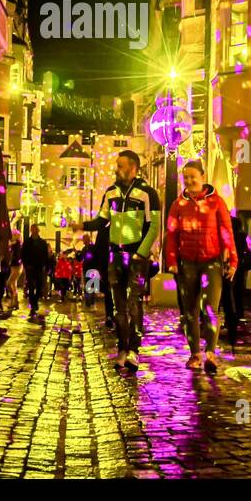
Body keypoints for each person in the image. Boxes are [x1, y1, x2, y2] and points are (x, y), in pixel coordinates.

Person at [71, 150, 161, 372]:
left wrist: (141, 252)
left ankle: (134, 350)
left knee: (134, 303)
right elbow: (103, 220)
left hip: (137, 257)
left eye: (121, 166)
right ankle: (122, 348)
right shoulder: (110, 192)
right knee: (119, 305)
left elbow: (154, 225)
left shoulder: (148, 193)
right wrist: (83, 226)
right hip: (115, 255)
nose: (116, 169)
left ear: (133, 168)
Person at [163, 160, 238, 374]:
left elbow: (226, 231)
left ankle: (211, 353)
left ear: (202, 176)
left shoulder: (216, 202)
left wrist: (232, 260)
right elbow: (172, 235)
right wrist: (172, 261)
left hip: (211, 261)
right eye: (185, 177)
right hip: (187, 263)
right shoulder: (178, 205)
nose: (188, 181)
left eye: (192, 176)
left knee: (211, 309)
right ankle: (195, 353)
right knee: (189, 311)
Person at [220, 215, 251, 346]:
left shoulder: (231, 237)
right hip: (240, 269)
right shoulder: (242, 236)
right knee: (237, 293)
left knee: (230, 294)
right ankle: (237, 316)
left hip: (232, 268)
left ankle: (231, 321)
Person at [22, 224, 49, 319]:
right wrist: (26, 265)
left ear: (38, 230)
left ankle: (35, 302)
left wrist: (45, 265)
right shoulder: (27, 242)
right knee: (30, 286)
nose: (34, 231)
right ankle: (33, 305)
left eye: (35, 229)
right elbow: (23, 254)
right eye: (32, 229)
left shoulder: (42, 243)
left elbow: (45, 255)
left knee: (39, 286)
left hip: (39, 267)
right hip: (30, 267)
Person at [6, 232, 24, 309]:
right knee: (13, 284)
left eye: (13, 235)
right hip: (14, 265)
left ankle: (14, 299)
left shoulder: (17, 245)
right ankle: (15, 303)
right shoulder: (15, 245)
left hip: (17, 265)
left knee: (9, 283)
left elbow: (16, 256)